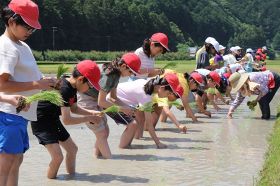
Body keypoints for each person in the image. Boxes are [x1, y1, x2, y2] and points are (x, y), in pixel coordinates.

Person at [0, 0, 56, 185]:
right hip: (9, 113)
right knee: (6, 162)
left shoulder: (22, 46)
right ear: (11, 21)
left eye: (33, 28)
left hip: (22, 114)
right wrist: (36, 83)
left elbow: (34, 77)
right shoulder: (6, 47)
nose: (30, 32)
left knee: (16, 160)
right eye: (27, 26)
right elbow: (2, 85)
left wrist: (48, 83)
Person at [31, 60, 103, 179]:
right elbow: (67, 120)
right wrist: (89, 118)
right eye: (89, 85)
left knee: (72, 149)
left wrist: (91, 112)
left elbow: (73, 108)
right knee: (57, 157)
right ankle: (51, 181)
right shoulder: (65, 89)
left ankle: (71, 178)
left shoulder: (72, 87)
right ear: (81, 79)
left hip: (53, 119)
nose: (90, 88)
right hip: (41, 122)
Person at [115, 73, 183, 148]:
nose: (167, 96)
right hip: (111, 102)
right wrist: (158, 143)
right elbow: (149, 125)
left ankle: (126, 150)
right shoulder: (146, 96)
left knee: (134, 126)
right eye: (168, 93)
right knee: (133, 125)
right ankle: (122, 149)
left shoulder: (147, 84)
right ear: (162, 88)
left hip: (118, 100)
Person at [98, 53, 142, 149]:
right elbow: (101, 102)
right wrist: (123, 109)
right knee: (132, 124)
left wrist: (128, 107)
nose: (130, 75)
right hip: (94, 102)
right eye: (130, 72)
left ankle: (127, 148)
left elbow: (113, 97)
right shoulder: (109, 76)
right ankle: (123, 150)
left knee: (134, 121)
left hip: (103, 101)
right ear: (123, 66)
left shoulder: (116, 75)